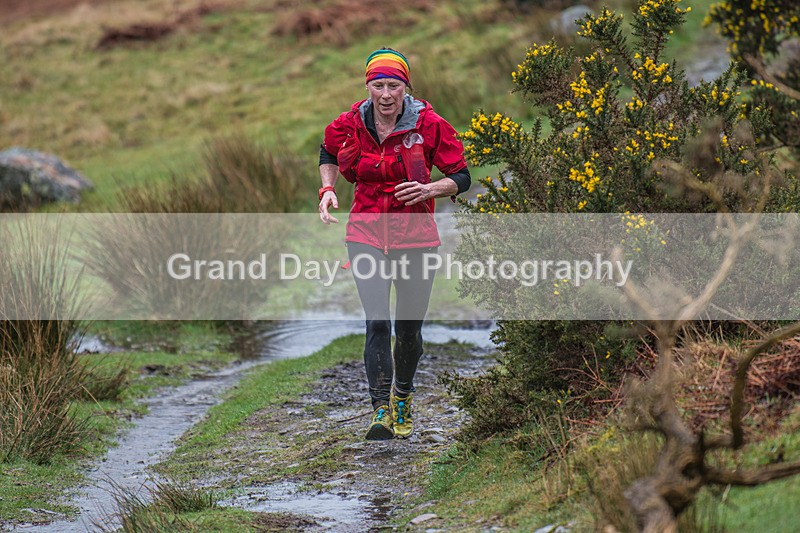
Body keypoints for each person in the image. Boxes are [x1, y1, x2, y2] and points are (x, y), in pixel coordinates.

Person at [317, 48, 471, 440]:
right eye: (378, 85)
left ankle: (402, 395)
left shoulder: (431, 124)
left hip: (416, 237)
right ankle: (379, 411)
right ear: (367, 86)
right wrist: (328, 187)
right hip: (365, 233)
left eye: (394, 85)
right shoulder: (351, 123)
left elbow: (461, 175)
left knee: (407, 329)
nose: (386, 94)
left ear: (406, 87)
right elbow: (328, 151)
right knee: (377, 323)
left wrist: (430, 188)